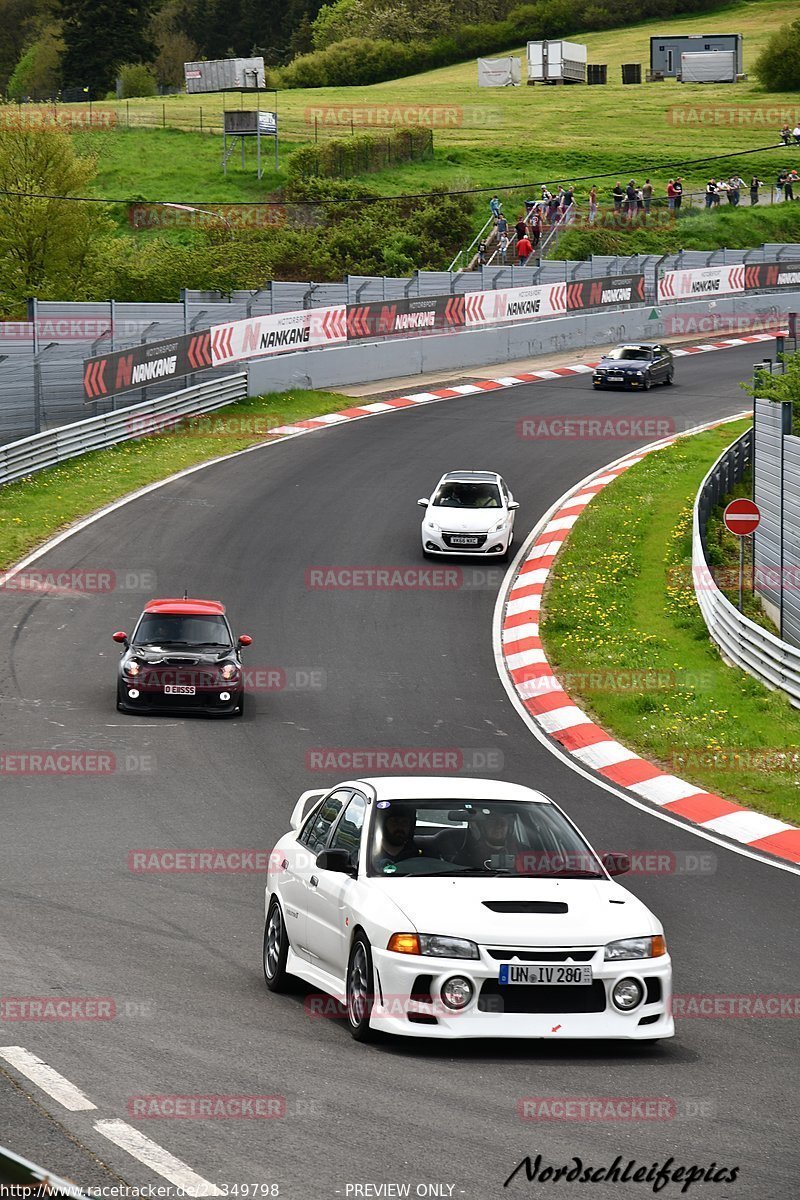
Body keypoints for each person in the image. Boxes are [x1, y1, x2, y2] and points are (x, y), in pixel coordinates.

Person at [454, 809, 521, 871]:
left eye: (502, 823)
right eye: (492, 822)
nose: (498, 827)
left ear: (509, 828)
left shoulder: (522, 851)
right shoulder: (468, 853)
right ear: (483, 827)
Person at [371, 807, 421, 873]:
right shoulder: (368, 854)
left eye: (404, 822)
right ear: (384, 825)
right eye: (394, 821)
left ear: (410, 827)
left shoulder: (415, 856)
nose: (400, 827)